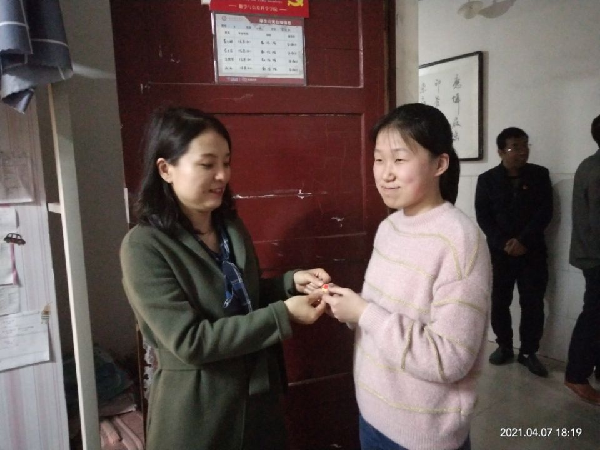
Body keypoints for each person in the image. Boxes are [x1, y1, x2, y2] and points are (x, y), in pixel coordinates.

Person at [120, 107, 330, 450]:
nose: (222, 175)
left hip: (258, 401)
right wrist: (284, 314)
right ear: (166, 169)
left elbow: (240, 300)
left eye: (226, 163)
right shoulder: (144, 246)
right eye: (207, 165)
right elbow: (191, 342)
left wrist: (290, 284)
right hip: (199, 412)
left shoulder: (229, 228)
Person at [322, 103, 491, 450]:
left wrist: (364, 313)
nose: (385, 173)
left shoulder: (460, 241)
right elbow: (378, 315)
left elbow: (450, 358)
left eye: (399, 159)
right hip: (372, 414)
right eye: (379, 159)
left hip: (422, 434)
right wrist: (345, 306)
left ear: (439, 164)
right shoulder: (390, 227)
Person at [475, 127, 553, 377]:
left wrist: (523, 241)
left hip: (532, 251)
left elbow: (545, 212)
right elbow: (483, 217)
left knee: (532, 303)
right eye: (515, 147)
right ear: (500, 152)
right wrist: (504, 242)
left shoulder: (540, 175)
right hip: (500, 253)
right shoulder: (487, 180)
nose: (522, 152)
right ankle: (504, 346)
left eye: (525, 145)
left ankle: (529, 352)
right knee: (500, 301)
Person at [564, 113, 600, 405]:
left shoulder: (589, 164)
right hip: (597, 256)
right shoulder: (596, 169)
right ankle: (576, 375)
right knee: (593, 316)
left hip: (592, 253)